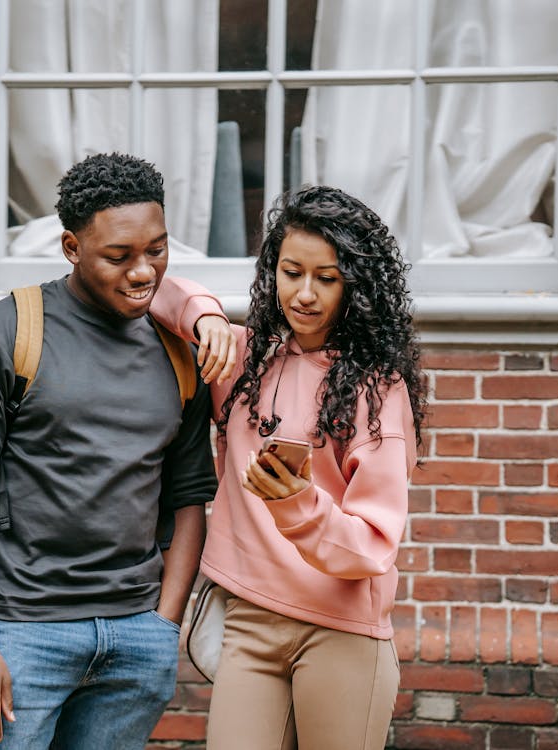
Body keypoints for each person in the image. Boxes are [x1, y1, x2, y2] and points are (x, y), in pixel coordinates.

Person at [0, 153, 219, 749]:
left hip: (135, 638)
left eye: (157, 250)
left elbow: (188, 498)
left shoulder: (180, 352)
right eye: (118, 256)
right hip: (22, 635)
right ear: (70, 247)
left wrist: (164, 626)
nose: (143, 272)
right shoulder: (5, 334)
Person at [150, 185, 428, 750]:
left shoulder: (378, 390)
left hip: (342, 631)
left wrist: (295, 501)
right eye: (290, 271)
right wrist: (205, 319)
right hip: (249, 622)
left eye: (326, 278)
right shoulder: (244, 361)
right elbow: (159, 291)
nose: (303, 293)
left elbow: (373, 547)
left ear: (356, 284)